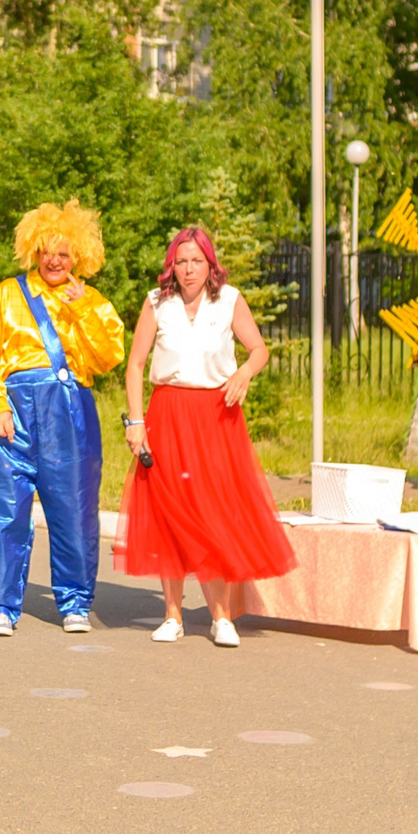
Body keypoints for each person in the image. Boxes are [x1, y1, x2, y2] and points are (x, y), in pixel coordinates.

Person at [118, 228, 295, 648]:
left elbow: (259, 350)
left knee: (216, 512)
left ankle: (221, 617)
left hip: (216, 418)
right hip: (167, 416)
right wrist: (135, 421)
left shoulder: (229, 300)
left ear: (210, 264)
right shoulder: (156, 302)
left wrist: (244, 373)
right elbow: (136, 364)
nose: (189, 269)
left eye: (197, 261)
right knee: (169, 513)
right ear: (171, 267)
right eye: (181, 262)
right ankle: (173, 615)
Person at [0, 202, 124, 637]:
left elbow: (108, 356)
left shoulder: (92, 301)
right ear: (33, 251)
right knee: (3, 506)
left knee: (73, 507)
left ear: (80, 257)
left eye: (64, 253)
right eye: (47, 251)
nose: (55, 261)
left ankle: (75, 601)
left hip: (70, 414)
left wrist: (82, 309)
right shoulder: (7, 294)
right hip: (13, 411)